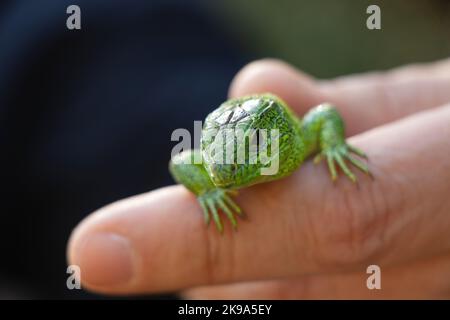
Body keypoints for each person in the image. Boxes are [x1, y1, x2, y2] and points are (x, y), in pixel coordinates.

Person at [67, 58, 450, 299]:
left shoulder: (294, 142)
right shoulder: (217, 163)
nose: (221, 177)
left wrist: (333, 147)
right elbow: (183, 163)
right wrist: (206, 194)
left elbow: (324, 116)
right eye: (216, 165)